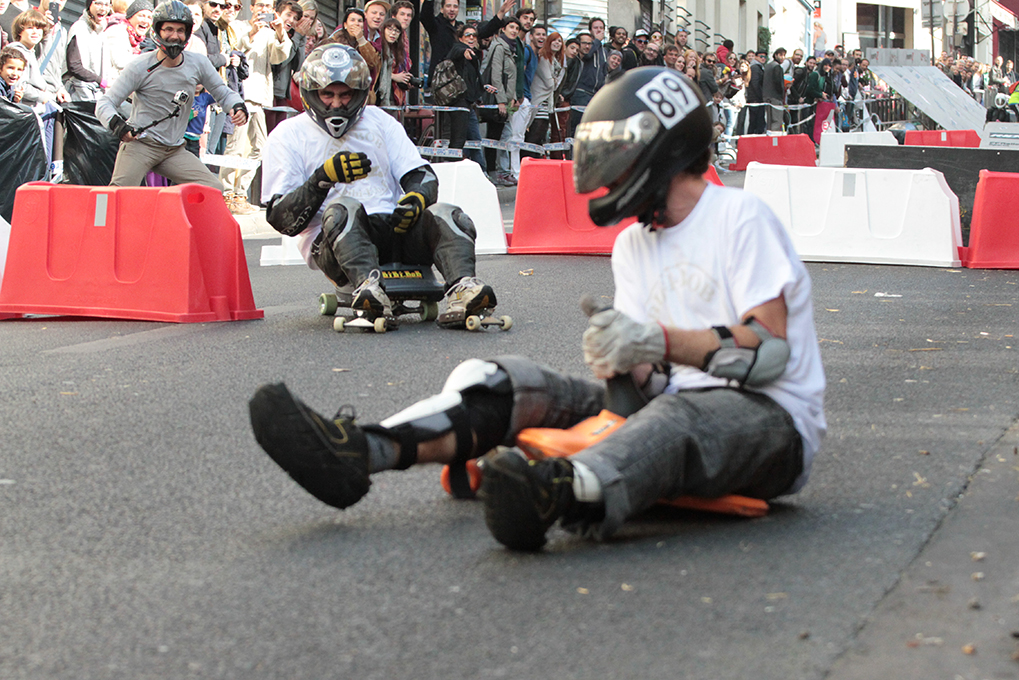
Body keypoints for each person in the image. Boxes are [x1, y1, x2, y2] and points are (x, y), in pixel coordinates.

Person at [247, 67, 826, 552]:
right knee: (505, 381)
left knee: (677, 417)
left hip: (770, 424)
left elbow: (768, 353)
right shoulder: (634, 244)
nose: (610, 172)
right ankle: (359, 451)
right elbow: (649, 385)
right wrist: (624, 361)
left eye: (620, 155)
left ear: (663, 149)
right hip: (669, 406)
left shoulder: (738, 218)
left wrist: (659, 342)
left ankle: (555, 492)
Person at [261, 43, 499, 329]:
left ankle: (464, 288)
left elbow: (422, 175)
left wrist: (416, 200)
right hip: (335, 243)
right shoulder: (287, 135)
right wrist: (321, 179)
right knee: (343, 208)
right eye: (327, 95)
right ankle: (367, 290)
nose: (336, 104)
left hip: (392, 230)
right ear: (312, 93)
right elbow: (281, 219)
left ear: (360, 93)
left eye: (345, 95)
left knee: (448, 213)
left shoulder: (381, 121)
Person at [96, 0, 247, 189]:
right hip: (140, 145)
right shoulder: (140, 65)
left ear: (187, 33)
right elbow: (105, 103)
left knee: (213, 189)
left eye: (180, 30)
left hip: (174, 150)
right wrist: (117, 125)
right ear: (157, 31)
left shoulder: (198, 63)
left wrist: (237, 106)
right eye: (168, 29)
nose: (175, 36)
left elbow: (223, 93)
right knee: (119, 195)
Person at [104, 0, 153, 82]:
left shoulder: (137, 39)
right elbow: (120, 62)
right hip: (112, 85)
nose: (145, 21)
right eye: (141, 16)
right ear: (130, 17)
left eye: (149, 18)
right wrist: (146, 56)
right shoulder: (117, 30)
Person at [763, 47, 785, 132]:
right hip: (775, 97)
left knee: (769, 121)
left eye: (784, 55)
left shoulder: (768, 66)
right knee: (777, 120)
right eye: (780, 55)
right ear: (775, 55)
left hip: (766, 96)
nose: (782, 57)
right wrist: (781, 94)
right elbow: (778, 82)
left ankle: (769, 136)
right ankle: (774, 137)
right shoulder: (777, 67)